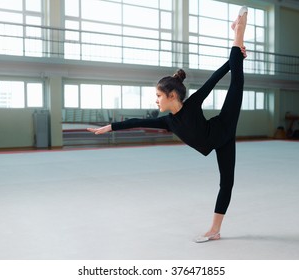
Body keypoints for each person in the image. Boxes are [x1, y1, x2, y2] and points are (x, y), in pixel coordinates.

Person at [87, 6, 248, 243]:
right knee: (226, 184)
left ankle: (238, 34)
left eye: (159, 96)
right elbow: (136, 122)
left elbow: (213, 80)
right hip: (219, 142)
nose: (156, 100)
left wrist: (232, 61)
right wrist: (109, 127)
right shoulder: (168, 122)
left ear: (172, 95)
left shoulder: (191, 104)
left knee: (236, 84)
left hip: (223, 126)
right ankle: (215, 230)